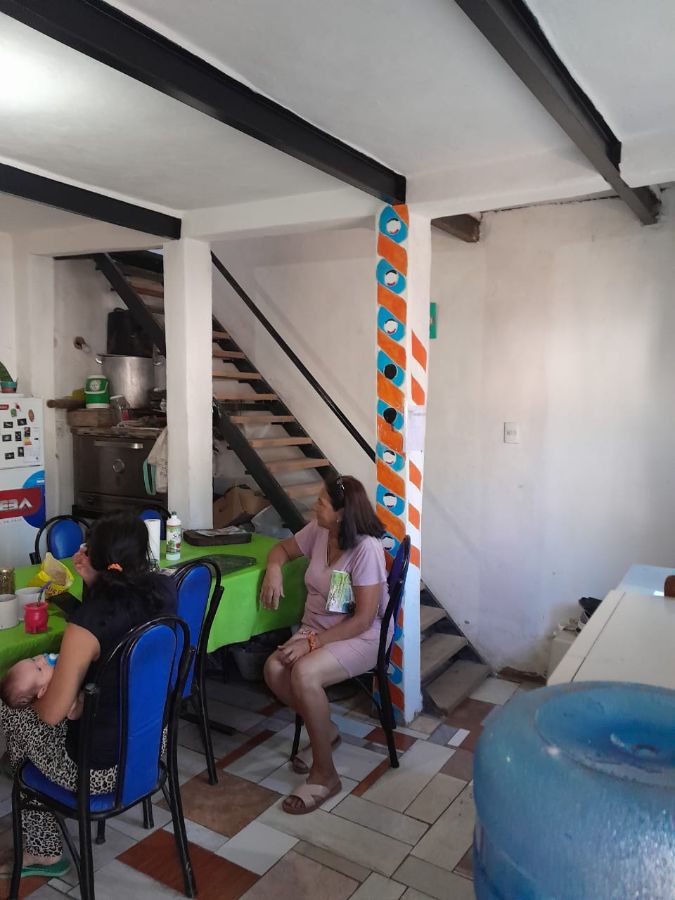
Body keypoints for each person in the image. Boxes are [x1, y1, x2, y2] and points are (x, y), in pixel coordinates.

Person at [0, 512, 176, 879]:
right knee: (45, 711)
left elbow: (50, 715)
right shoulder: (163, 592)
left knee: (12, 706)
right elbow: (113, 618)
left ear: (95, 558)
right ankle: (29, 787)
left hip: (99, 772)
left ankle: (42, 847)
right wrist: (94, 581)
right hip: (150, 750)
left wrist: (49, 692)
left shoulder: (88, 623)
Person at [261, 475, 389, 815]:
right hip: (317, 627)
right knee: (274, 669)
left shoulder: (366, 548)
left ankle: (325, 774)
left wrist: (311, 643)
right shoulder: (320, 530)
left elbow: (363, 619)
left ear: (342, 513)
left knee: (304, 673)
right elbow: (282, 549)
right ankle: (326, 729)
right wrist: (274, 568)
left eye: (321, 502)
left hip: (360, 634)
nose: (314, 507)